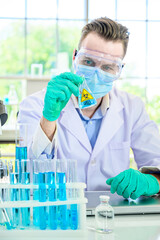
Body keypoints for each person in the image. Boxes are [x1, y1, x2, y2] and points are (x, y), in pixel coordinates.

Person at [18, 17, 160, 199]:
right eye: (89, 62)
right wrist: (48, 118)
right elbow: (26, 174)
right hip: (58, 212)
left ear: (120, 70)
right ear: (75, 57)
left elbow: (156, 163)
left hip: (113, 214)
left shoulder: (132, 107)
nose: (96, 74)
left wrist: (152, 181)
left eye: (108, 67)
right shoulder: (35, 105)